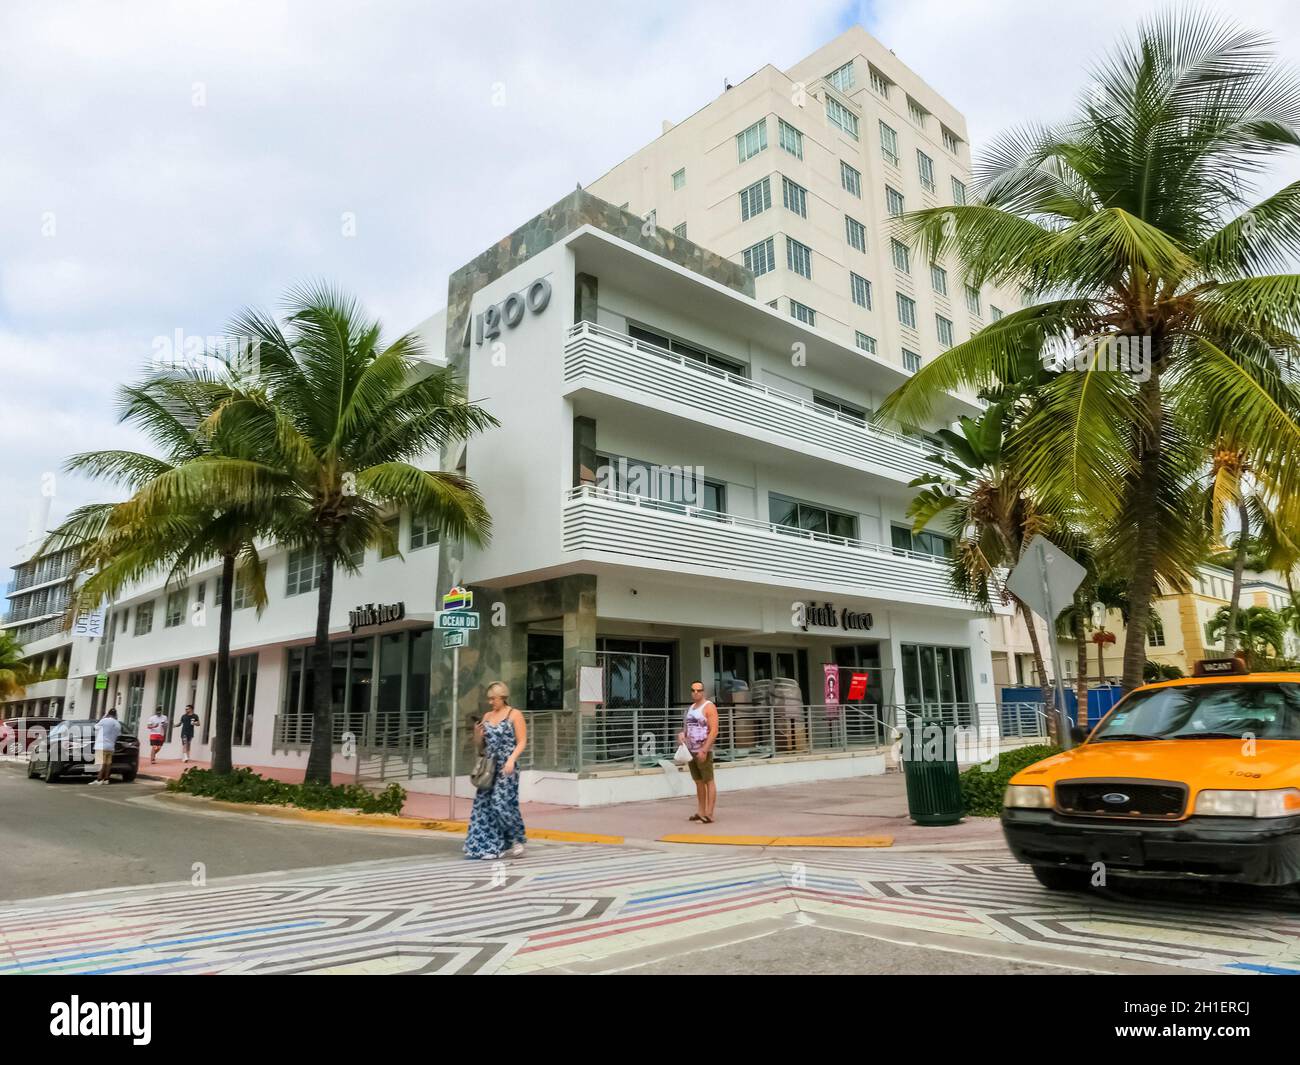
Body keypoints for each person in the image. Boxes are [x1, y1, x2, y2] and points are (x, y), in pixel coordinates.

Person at [464, 681, 528, 860]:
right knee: (484, 805)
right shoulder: (487, 716)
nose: (491, 702)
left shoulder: (515, 715)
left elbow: (522, 741)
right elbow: (481, 746)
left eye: (494, 699)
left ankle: (517, 838)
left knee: (502, 804)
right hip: (489, 765)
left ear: (503, 698)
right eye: (489, 699)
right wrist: (477, 735)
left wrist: (511, 760)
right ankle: (487, 845)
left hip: (507, 765)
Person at [678, 681, 719, 824]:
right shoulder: (690, 708)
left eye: (699, 690)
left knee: (708, 780)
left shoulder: (709, 707)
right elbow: (687, 728)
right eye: (693, 690)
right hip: (691, 750)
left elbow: (714, 730)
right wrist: (682, 735)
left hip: (703, 750)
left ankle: (709, 813)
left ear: (703, 692)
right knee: (698, 782)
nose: (696, 693)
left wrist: (705, 749)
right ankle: (701, 811)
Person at [91, 709, 121, 785]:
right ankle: (106, 779)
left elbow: (95, 727)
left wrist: (104, 717)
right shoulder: (118, 724)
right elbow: (118, 736)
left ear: (108, 714)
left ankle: (99, 779)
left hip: (101, 745)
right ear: (115, 714)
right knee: (108, 763)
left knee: (101, 763)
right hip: (111, 746)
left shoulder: (105, 720)